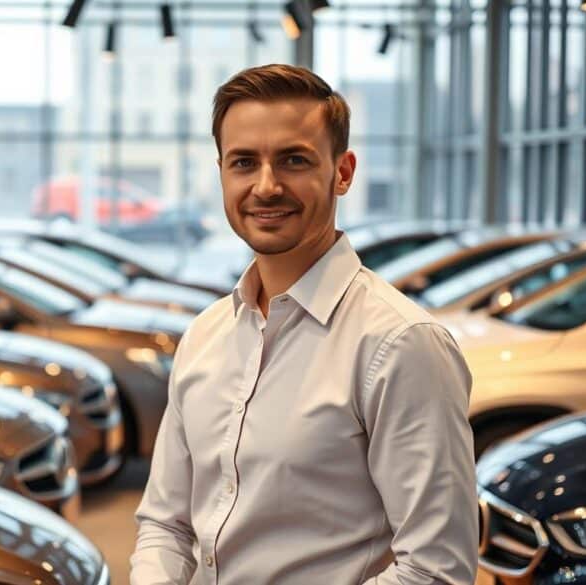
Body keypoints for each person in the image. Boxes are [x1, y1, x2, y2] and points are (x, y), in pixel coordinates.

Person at [130, 64, 477, 585]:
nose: (265, 187)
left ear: (343, 171)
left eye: (293, 160)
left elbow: (436, 571)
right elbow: (167, 523)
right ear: (222, 171)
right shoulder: (206, 334)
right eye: (244, 162)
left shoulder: (401, 345)